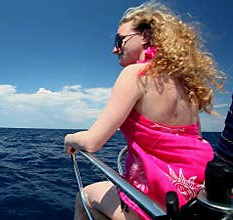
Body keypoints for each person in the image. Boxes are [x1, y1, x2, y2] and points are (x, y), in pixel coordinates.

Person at [64, 2, 225, 220]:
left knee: (83, 197)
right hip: (196, 198)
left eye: (119, 40)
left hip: (158, 203)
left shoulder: (135, 74)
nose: (114, 49)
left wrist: (70, 138)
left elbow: (93, 142)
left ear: (145, 37)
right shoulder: (187, 86)